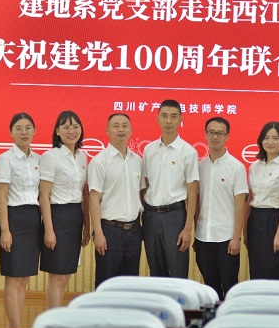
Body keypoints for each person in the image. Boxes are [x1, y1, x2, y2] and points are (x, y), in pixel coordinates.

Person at [141, 100, 199, 278]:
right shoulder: (149, 150)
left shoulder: (188, 152)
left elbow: (192, 194)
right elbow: (145, 185)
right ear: (157, 118)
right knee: (156, 271)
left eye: (173, 117)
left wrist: (187, 228)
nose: (168, 121)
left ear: (180, 120)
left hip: (175, 216)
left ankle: (178, 299)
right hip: (151, 216)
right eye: (164, 116)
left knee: (177, 271)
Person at [39, 110, 90, 308]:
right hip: (57, 217)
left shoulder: (82, 157)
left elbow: (84, 193)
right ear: (57, 131)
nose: (71, 131)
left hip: (75, 217)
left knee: (66, 274)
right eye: (66, 127)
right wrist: (49, 230)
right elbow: (44, 195)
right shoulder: (50, 157)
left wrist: (87, 226)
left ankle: (56, 316)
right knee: (57, 276)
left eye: (75, 126)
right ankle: (53, 319)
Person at [0, 112, 42, 328]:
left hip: (33, 219)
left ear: (34, 131)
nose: (24, 132)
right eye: (19, 129)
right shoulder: (5, 159)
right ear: (11, 133)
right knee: (13, 279)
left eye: (28, 128)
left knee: (23, 279)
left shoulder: (39, 159)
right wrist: (5, 229)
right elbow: (2, 196)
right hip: (13, 219)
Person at [194, 117, 248, 300]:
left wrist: (236, 237)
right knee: (210, 287)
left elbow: (240, 206)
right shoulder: (199, 166)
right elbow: (196, 203)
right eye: (211, 132)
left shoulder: (237, 167)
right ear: (205, 135)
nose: (215, 137)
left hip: (226, 238)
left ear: (227, 136)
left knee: (230, 285)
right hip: (203, 236)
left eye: (219, 133)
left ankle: (230, 317)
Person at [88, 113, 144, 287]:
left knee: (130, 285)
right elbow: (94, 200)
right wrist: (98, 233)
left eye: (125, 126)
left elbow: (141, 194)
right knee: (106, 283)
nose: (121, 129)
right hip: (109, 231)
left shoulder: (138, 161)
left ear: (131, 130)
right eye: (116, 126)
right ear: (107, 130)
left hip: (134, 231)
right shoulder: (99, 162)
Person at [244, 121, 279, 280]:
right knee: (257, 269)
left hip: (275, 221)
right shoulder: (254, 167)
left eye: (275, 138)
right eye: (266, 138)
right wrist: (245, 229)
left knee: (275, 269)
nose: (270, 142)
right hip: (255, 220)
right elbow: (250, 199)